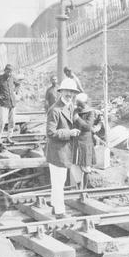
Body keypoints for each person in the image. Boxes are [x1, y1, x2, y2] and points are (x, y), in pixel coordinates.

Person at [45, 77, 81, 218]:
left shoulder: (71, 107)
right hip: (57, 151)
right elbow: (50, 132)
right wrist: (69, 133)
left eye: (72, 92)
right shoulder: (55, 110)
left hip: (65, 151)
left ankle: (55, 206)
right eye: (67, 91)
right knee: (58, 182)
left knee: (59, 181)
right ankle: (60, 212)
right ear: (61, 91)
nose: (69, 94)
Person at [0, 63, 21, 144]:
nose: (9, 73)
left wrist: (15, 91)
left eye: (11, 72)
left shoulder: (12, 78)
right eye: (8, 71)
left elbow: (18, 84)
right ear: (5, 71)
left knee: (12, 121)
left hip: (12, 103)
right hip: (3, 103)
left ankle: (9, 137)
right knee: (2, 121)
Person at [73, 92, 96, 174]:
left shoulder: (90, 112)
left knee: (86, 165)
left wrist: (77, 119)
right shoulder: (76, 110)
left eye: (80, 103)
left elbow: (88, 127)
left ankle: (86, 181)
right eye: (77, 103)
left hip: (86, 140)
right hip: (76, 140)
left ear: (85, 103)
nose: (78, 105)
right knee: (76, 165)